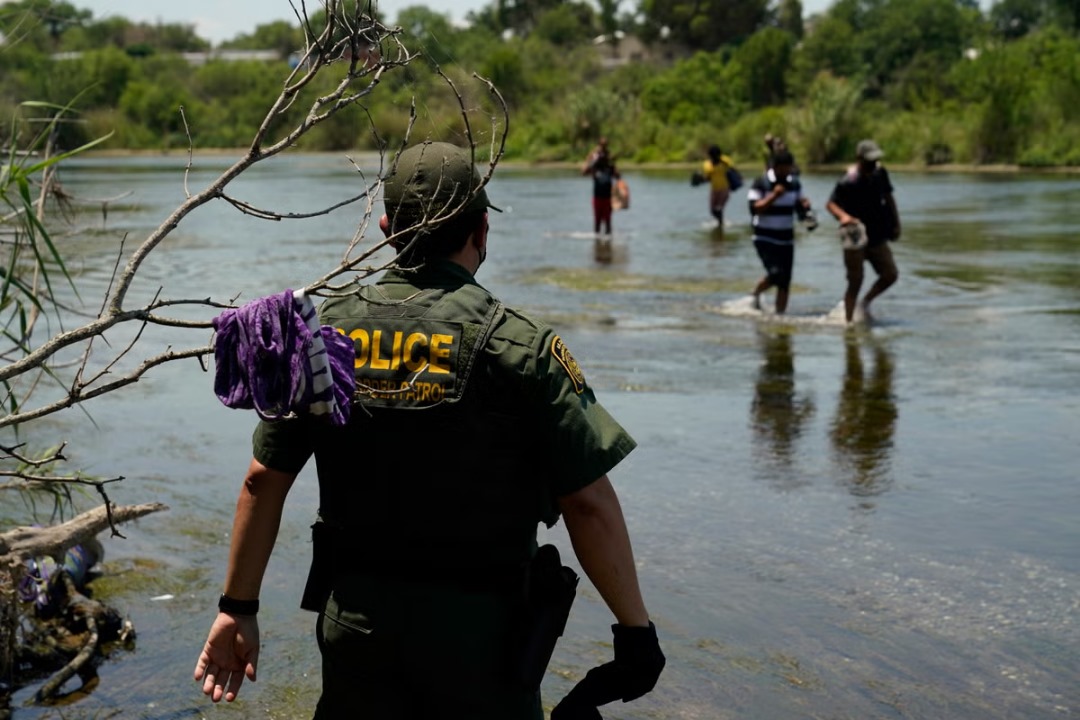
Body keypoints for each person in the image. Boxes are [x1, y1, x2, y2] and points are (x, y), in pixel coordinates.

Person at [193, 141, 664, 720]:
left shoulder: (320, 336)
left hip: (357, 630)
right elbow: (588, 503)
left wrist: (236, 607)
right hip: (483, 645)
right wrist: (634, 631)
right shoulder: (521, 347)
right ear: (482, 231)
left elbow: (263, 481)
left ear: (388, 230)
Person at [825, 139, 901, 323]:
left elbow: (889, 198)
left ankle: (865, 303)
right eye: (869, 161)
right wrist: (843, 217)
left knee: (890, 274)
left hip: (877, 233)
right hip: (854, 233)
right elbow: (830, 204)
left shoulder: (880, 173)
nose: (872, 164)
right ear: (859, 159)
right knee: (855, 281)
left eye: (875, 161)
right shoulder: (847, 180)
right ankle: (849, 323)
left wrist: (896, 223)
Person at [747, 149, 813, 314]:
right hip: (764, 236)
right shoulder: (760, 182)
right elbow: (754, 209)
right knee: (776, 274)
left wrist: (805, 209)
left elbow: (799, 209)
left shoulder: (795, 183)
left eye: (788, 168)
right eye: (782, 169)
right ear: (774, 167)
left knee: (785, 281)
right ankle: (755, 294)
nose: (786, 172)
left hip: (786, 237)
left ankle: (779, 316)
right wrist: (773, 196)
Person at [582, 137, 621, 236]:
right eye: (601, 147)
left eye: (605, 147)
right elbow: (583, 172)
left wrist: (612, 163)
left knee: (608, 223)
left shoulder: (609, 166)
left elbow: (618, 176)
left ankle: (608, 244)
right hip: (597, 197)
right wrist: (593, 160)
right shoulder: (595, 166)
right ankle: (598, 246)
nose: (603, 151)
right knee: (597, 222)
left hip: (608, 197)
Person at [701, 144, 737, 226]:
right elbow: (707, 178)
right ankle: (720, 223)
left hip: (725, 189)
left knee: (719, 209)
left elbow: (733, 169)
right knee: (712, 210)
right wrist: (700, 179)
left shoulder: (725, 161)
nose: (715, 158)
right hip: (714, 190)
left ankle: (720, 225)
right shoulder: (707, 165)